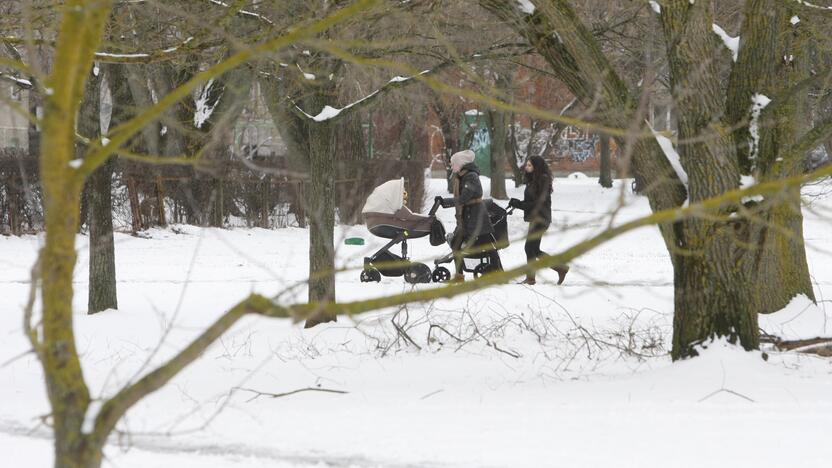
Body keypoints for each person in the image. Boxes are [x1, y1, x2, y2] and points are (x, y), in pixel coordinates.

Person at [436, 150, 502, 281]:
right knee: (457, 243)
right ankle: (459, 276)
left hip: (476, 218)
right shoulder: (462, 176)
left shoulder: (471, 176)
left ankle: (499, 273)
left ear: (461, 164)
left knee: (488, 247)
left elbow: (464, 197)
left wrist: (445, 202)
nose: (451, 166)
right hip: (468, 217)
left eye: (453, 163)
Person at [509, 156, 569, 285]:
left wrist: (519, 204)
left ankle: (533, 277)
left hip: (541, 218)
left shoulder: (543, 180)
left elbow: (537, 203)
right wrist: (517, 203)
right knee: (533, 249)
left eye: (530, 165)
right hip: (535, 218)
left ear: (537, 167)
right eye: (527, 165)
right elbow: (531, 201)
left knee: (530, 248)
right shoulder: (533, 180)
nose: (527, 167)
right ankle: (559, 268)